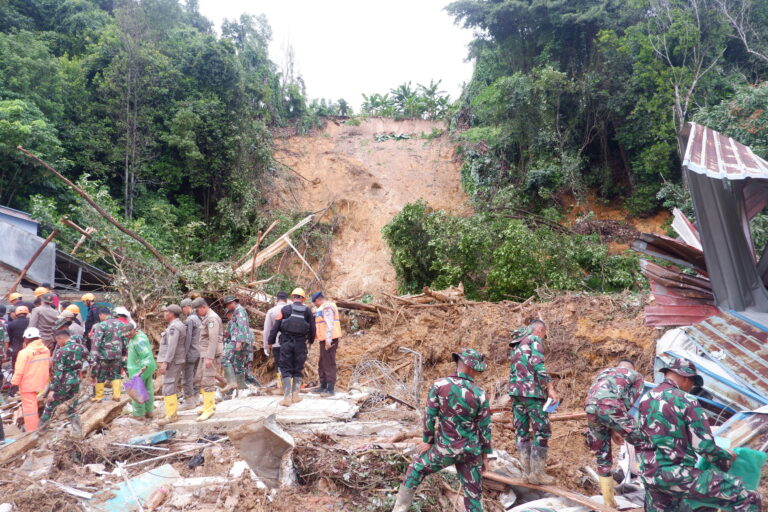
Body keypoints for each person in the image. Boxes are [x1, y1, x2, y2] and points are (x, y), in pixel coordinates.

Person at [637, 357, 761, 511]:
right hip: (676, 476)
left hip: (649, 474)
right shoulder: (686, 400)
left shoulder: (646, 398)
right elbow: (704, 446)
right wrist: (727, 457)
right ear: (685, 378)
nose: (691, 387)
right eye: (693, 383)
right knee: (747, 496)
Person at [392, 348, 492, 512]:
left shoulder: (439, 385)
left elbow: (429, 416)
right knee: (473, 494)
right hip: (471, 452)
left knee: (416, 467)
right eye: (476, 369)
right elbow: (485, 428)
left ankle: (399, 509)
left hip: (444, 449)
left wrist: (427, 441)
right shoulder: (480, 393)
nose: (477, 373)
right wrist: (485, 456)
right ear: (471, 367)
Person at [584, 359, 646, 506]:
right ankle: (645, 483)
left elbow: (595, 396)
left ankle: (609, 502)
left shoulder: (603, 373)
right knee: (642, 441)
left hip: (590, 407)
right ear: (632, 369)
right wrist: (619, 430)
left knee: (603, 455)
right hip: (610, 407)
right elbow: (625, 404)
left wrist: (613, 429)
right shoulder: (636, 377)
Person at [508, 320, 558, 485]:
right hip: (531, 393)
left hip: (516, 393)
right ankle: (537, 474)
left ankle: (526, 473)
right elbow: (538, 364)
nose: (544, 337)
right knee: (542, 431)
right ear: (540, 330)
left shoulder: (517, 344)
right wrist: (550, 388)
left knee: (521, 432)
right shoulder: (534, 340)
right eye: (544, 334)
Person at [267, 288, 316, 407]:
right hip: (300, 343)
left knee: (285, 368)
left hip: (286, 343)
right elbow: (313, 328)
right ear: (303, 299)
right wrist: (310, 340)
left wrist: (270, 341)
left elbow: (275, 327)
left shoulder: (285, 309)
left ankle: (287, 398)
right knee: (298, 368)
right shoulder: (308, 311)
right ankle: (295, 395)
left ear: (293, 297)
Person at [39, 329, 93, 434]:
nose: (58, 343)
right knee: (72, 407)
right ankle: (77, 432)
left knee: (50, 406)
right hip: (76, 381)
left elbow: (58, 373)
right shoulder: (82, 348)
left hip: (63, 383)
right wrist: (93, 376)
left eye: (57, 341)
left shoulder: (61, 352)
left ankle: (40, 431)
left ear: (61, 338)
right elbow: (93, 362)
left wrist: (52, 390)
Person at [11, 327, 50, 432]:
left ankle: (32, 431)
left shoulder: (24, 353)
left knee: (30, 411)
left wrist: (14, 383)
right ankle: (44, 426)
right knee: (45, 407)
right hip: (43, 384)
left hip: (28, 385)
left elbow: (19, 371)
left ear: (27, 339)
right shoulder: (46, 350)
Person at [192, 298, 223, 422]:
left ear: (204, 307)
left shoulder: (212, 318)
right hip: (204, 353)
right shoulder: (206, 318)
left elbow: (213, 339)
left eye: (197, 310)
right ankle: (208, 405)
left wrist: (209, 357)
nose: (197, 312)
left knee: (208, 380)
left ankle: (209, 409)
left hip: (210, 354)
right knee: (200, 378)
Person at [90, 307, 128, 402]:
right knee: (116, 374)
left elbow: (96, 342)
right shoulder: (121, 324)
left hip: (103, 355)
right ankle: (116, 396)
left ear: (102, 314)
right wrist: (123, 353)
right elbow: (125, 340)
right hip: (117, 354)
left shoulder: (101, 325)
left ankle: (99, 397)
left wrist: (93, 356)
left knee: (101, 374)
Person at [157, 305, 186, 425]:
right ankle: (170, 412)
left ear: (171, 314)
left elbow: (172, 347)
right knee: (170, 385)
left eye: (166, 312)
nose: (164, 314)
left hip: (173, 361)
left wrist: (165, 362)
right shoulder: (175, 325)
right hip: (175, 360)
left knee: (169, 386)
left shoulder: (174, 327)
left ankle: (172, 415)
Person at [311, 292, 343, 396]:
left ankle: (330, 389)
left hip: (329, 340)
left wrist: (328, 340)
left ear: (319, 300)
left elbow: (330, 324)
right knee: (322, 362)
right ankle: (323, 385)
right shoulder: (322, 307)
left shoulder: (327, 307)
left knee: (329, 363)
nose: (315, 304)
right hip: (324, 340)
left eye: (315, 302)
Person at [221, 296, 255, 392]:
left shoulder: (239, 310)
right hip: (241, 340)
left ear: (232, 302)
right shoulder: (239, 310)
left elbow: (242, 326)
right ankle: (241, 387)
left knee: (224, 358)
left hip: (239, 340)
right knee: (238, 364)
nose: (227, 307)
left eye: (228, 305)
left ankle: (231, 382)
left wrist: (239, 342)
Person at [125, 322, 157, 422]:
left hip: (140, 367)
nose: (127, 335)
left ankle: (138, 414)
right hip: (144, 366)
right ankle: (149, 411)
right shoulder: (139, 336)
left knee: (137, 390)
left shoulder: (138, 340)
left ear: (134, 330)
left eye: (129, 332)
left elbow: (145, 354)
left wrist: (142, 368)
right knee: (147, 388)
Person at [180, 298, 201, 410]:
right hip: (198, 352)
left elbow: (187, 339)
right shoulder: (198, 318)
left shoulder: (190, 320)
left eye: (183, 309)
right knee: (195, 376)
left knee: (187, 377)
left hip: (191, 353)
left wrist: (184, 353)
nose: (183, 312)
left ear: (186, 307)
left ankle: (189, 402)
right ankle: (196, 399)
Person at [7, 305, 30, 385]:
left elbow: (9, 338)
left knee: (16, 367)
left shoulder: (12, 324)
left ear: (16, 313)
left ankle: (15, 385)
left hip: (16, 348)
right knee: (28, 367)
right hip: (29, 348)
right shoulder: (30, 322)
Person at [263, 292, 288, 365]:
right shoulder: (291, 310)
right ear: (286, 300)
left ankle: (279, 376)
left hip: (276, 343)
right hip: (289, 343)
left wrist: (266, 346)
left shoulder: (271, 311)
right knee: (288, 365)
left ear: (277, 300)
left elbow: (266, 330)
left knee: (279, 364)